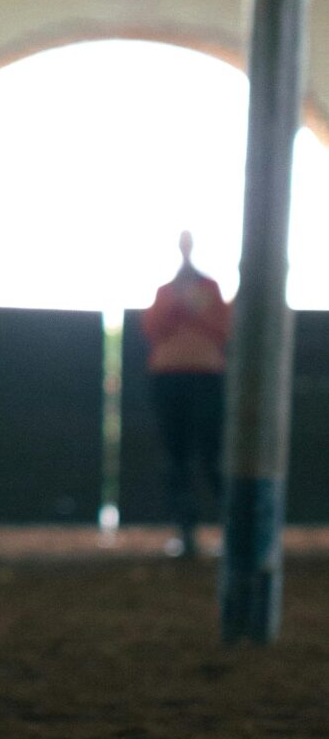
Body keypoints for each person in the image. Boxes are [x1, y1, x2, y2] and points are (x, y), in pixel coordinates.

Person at [141, 230, 231, 559]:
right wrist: (178, 307)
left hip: (205, 377)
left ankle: (231, 531)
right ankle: (186, 532)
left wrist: (192, 307)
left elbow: (223, 326)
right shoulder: (166, 291)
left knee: (212, 456)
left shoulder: (209, 290)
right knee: (175, 458)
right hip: (169, 379)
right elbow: (152, 328)